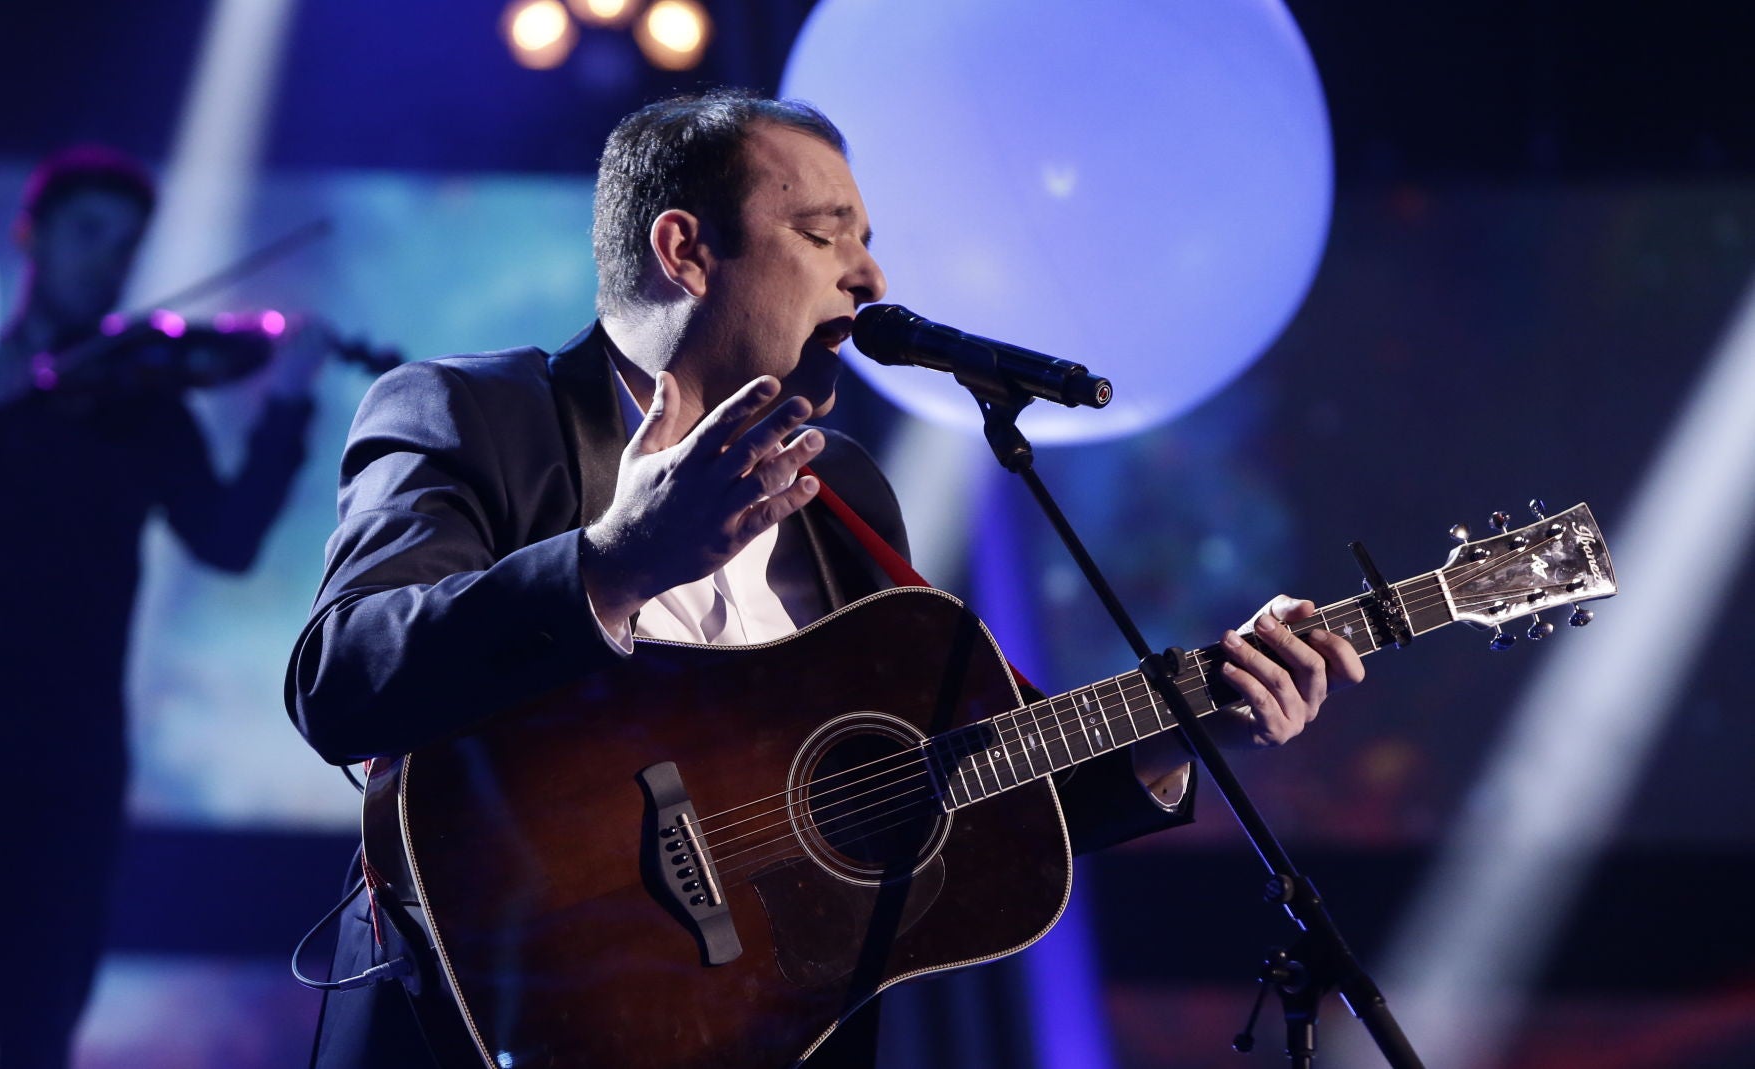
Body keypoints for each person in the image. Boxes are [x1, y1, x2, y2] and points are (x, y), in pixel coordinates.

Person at [286, 90, 1362, 1068]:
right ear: (685, 250)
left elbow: (963, 777)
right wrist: (616, 565)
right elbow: (343, 677)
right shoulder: (474, 416)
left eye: (869, 240)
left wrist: (1181, 723)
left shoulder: (844, 492)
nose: (872, 278)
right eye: (822, 234)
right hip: (469, 1031)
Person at [0, 146, 331, 1068]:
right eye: (86, 234)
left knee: (39, 1026)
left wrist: (288, 405)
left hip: (64, 761)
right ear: (29, 235)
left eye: (125, 244)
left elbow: (226, 541)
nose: (106, 262)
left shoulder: (143, 403)